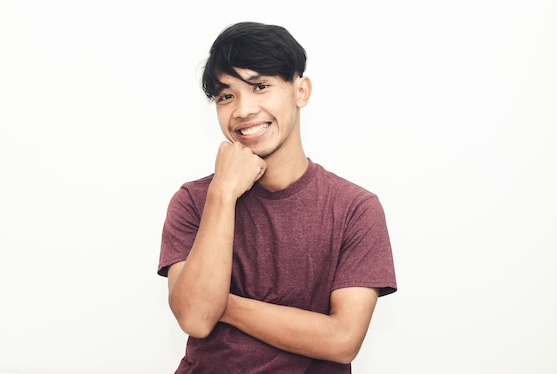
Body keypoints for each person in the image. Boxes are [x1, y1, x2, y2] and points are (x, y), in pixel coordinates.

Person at [158, 22, 397, 373]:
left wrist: (220, 304)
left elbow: (343, 341)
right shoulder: (194, 201)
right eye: (227, 95)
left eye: (260, 86)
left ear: (301, 91)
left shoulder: (354, 209)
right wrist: (222, 194)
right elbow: (194, 319)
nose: (242, 110)